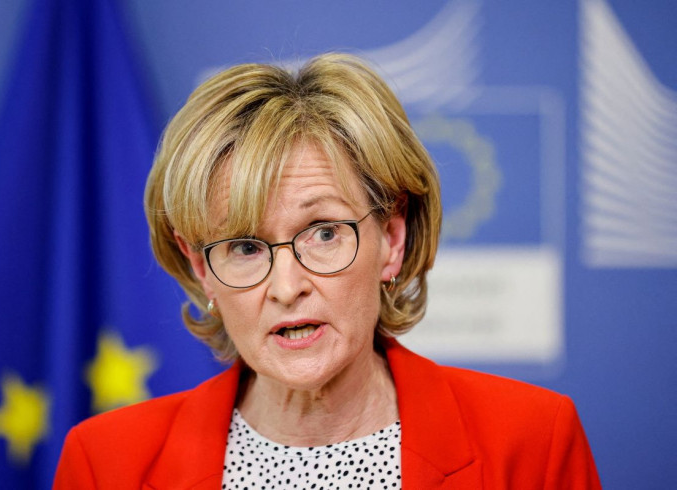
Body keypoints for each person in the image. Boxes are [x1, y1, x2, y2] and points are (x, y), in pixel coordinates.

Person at [54, 53, 601, 489]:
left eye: (324, 233)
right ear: (201, 268)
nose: (288, 288)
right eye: (245, 246)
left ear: (391, 238)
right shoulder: (106, 464)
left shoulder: (533, 442)